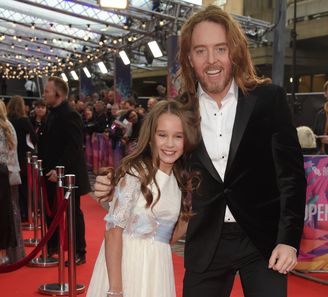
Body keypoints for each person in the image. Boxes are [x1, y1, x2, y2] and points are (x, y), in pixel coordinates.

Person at [95, 5, 306, 297]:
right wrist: (110, 182)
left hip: (263, 242)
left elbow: (292, 177)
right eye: (200, 51)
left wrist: (289, 239)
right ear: (189, 58)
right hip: (205, 241)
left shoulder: (269, 99)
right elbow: (153, 161)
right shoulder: (181, 111)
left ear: (234, 52)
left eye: (220, 49)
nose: (211, 60)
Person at [86, 99, 200, 297]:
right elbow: (113, 232)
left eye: (178, 136)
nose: (170, 144)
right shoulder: (136, 172)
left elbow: (170, 237)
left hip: (158, 268)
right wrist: (115, 290)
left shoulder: (180, 179)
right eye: (162, 135)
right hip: (127, 266)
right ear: (150, 136)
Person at [38, 76, 90, 264]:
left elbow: (74, 146)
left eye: (47, 91)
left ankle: (79, 252)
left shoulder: (70, 114)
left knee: (73, 213)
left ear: (58, 93)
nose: (44, 94)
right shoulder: (52, 113)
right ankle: (53, 247)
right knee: (51, 210)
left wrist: (59, 169)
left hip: (68, 175)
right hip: (51, 173)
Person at [0, 100, 24, 265]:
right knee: (11, 216)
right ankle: (13, 254)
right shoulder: (8, 126)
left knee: (8, 216)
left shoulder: (4, 127)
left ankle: (8, 255)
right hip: (9, 174)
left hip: (4, 176)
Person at [7, 95, 37, 222]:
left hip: (11, 156)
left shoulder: (7, 121)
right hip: (24, 157)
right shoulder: (24, 121)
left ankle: (15, 212)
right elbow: (34, 138)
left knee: (13, 187)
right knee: (25, 185)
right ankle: (26, 212)